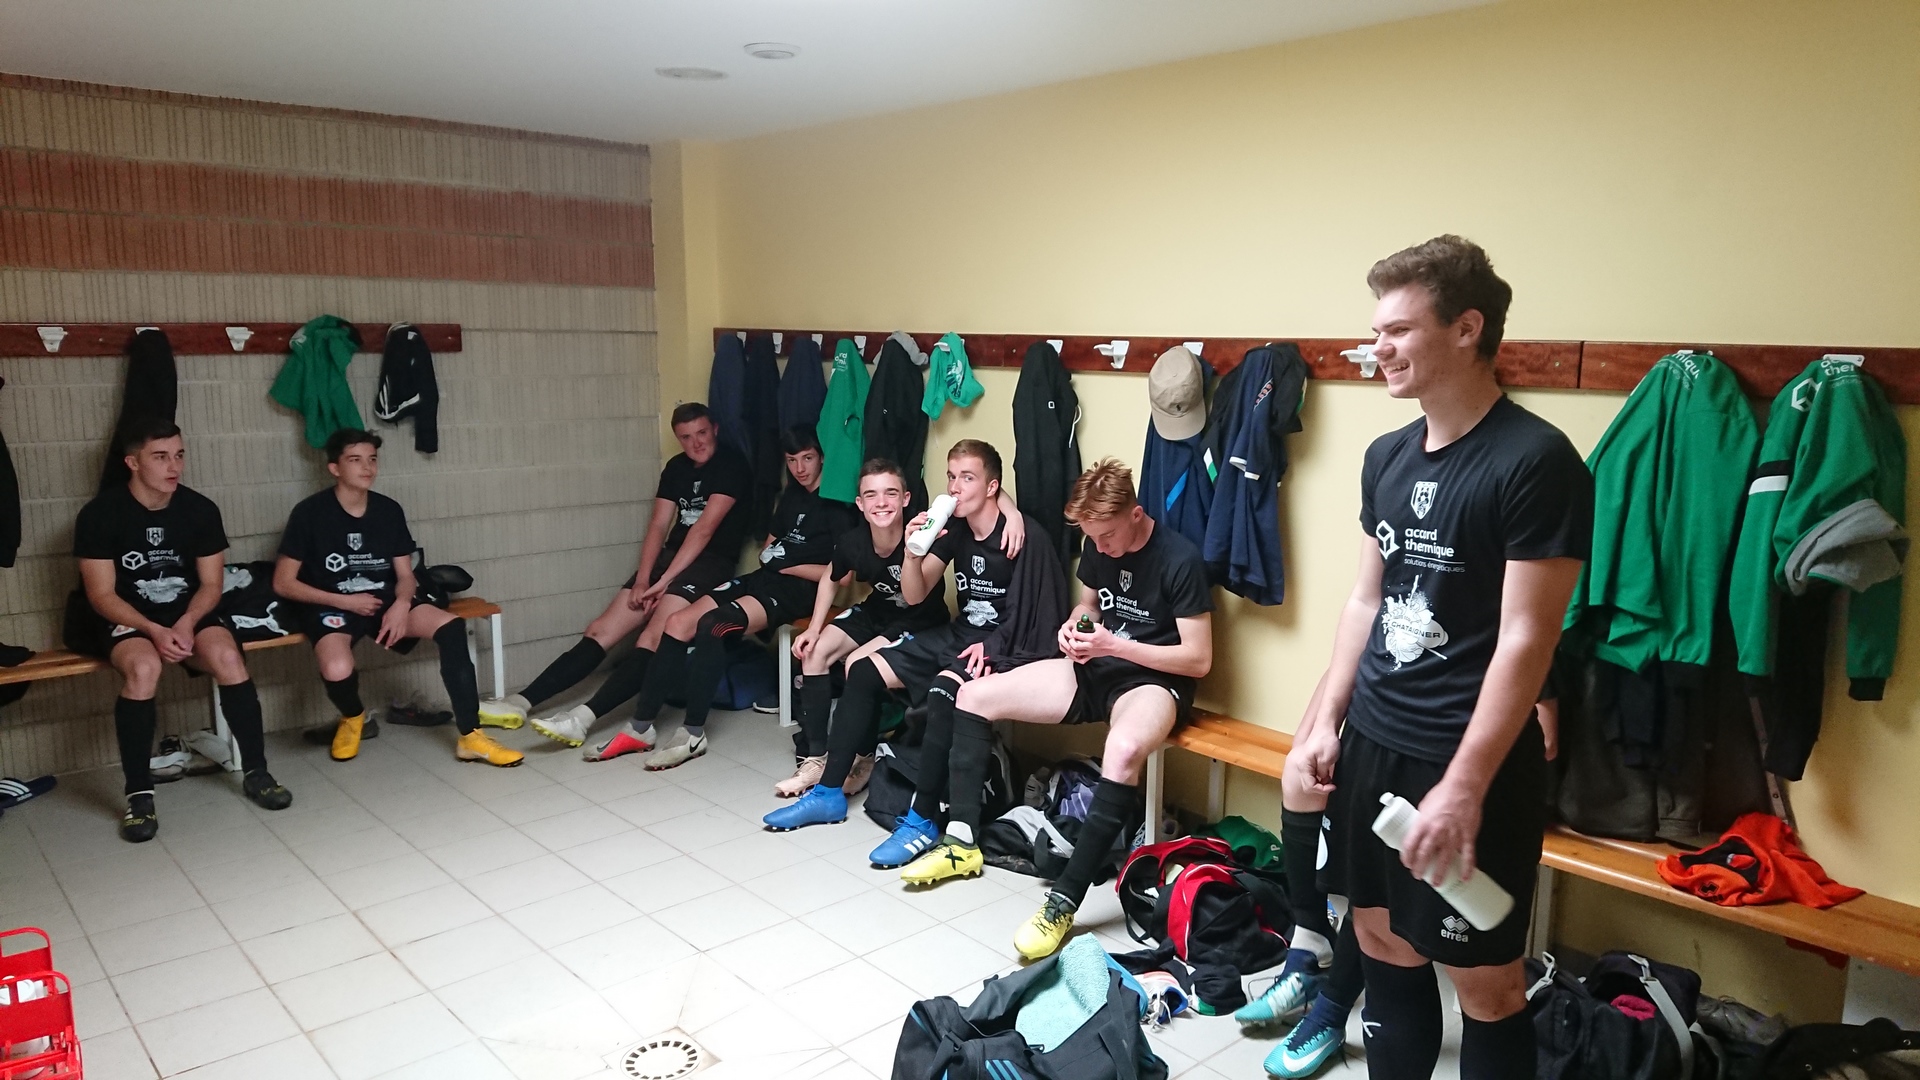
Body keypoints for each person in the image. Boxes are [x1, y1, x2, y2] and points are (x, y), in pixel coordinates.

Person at [1296, 235, 1592, 1080]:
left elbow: (1529, 638)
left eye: (1398, 330)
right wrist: (1326, 721)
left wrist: (1463, 788)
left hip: (1471, 763)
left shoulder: (1536, 460)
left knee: (1486, 983)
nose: (1378, 348)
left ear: (1467, 329)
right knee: (1381, 938)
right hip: (1373, 744)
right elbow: (1367, 600)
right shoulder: (1385, 457)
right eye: (1375, 331)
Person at [904, 461, 1216, 962]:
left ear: (1136, 515)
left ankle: (1063, 902)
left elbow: (1198, 659)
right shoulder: (1097, 545)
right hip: (1096, 666)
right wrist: (1076, 627)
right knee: (974, 696)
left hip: (1153, 681)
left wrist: (1115, 645)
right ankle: (962, 841)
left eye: (1108, 536)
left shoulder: (1180, 559)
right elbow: (1088, 604)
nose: (1101, 546)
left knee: (1123, 750)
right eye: (1093, 537)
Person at [767, 440, 1051, 852]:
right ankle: (828, 793)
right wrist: (913, 555)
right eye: (951, 477)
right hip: (959, 635)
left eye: (966, 478)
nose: (954, 487)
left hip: (1000, 646)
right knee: (863, 670)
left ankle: (921, 821)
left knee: (942, 691)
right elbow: (915, 595)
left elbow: (1032, 616)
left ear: (992, 487)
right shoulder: (954, 529)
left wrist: (993, 647)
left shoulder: (1021, 534)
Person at [531, 426, 850, 769]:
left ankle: (693, 733)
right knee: (677, 622)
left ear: (822, 458)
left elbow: (842, 576)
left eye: (807, 458)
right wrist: (775, 560)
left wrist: (788, 564)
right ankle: (641, 727)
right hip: (764, 579)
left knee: (712, 625)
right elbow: (767, 551)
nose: (800, 468)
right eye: (792, 460)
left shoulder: (838, 504)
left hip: (800, 591)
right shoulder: (792, 496)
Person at [72, 419, 293, 843]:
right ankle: (139, 796)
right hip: (130, 615)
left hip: (186, 612)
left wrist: (187, 622)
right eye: (160, 457)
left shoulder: (199, 509)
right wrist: (153, 629)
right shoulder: (100, 514)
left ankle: (257, 772)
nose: (174, 466)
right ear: (133, 462)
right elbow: (100, 595)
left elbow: (211, 584)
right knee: (143, 669)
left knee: (228, 657)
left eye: (179, 455)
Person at [481, 403, 751, 728]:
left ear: (715, 430)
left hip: (710, 562)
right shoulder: (676, 467)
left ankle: (582, 719)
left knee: (653, 637)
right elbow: (658, 525)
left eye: (702, 433)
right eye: (686, 437)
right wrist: (643, 580)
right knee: (600, 629)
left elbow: (703, 530)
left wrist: (664, 582)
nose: (696, 443)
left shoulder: (731, 465)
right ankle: (521, 702)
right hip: (670, 559)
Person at [273, 429, 521, 767]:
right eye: (355, 460)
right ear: (334, 468)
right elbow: (283, 583)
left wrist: (402, 605)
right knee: (336, 666)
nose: (367, 468)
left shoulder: (388, 510)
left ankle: (471, 737)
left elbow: (406, 576)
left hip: (384, 602)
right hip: (333, 604)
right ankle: (354, 717)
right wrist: (345, 602)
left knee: (451, 628)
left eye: (372, 459)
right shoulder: (309, 513)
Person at [769, 457, 950, 798]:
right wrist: (814, 627)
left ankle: (863, 756)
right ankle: (815, 758)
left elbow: (917, 597)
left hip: (918, 621)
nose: (881, 502)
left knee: (858, 665)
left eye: (890, 493)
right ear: (860, 504)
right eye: (871, 495)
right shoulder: (853, 541)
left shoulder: (924, 535)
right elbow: (831, 575)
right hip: (877, 611)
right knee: (815, 652)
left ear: (906, 499)